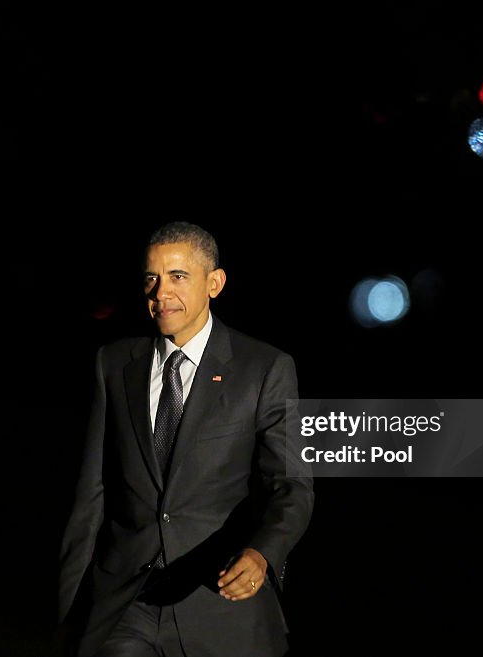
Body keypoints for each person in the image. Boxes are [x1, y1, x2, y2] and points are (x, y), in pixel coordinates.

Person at [58, 222, 314, 657]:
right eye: (151, 278)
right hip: (127, 606)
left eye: (178, 276)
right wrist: (70, 613)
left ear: (214, 283)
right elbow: (91, 497)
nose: (161, 292)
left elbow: (291, 485)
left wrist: (263, 553)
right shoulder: (114, 364)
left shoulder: (265, 368)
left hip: (218, 603)